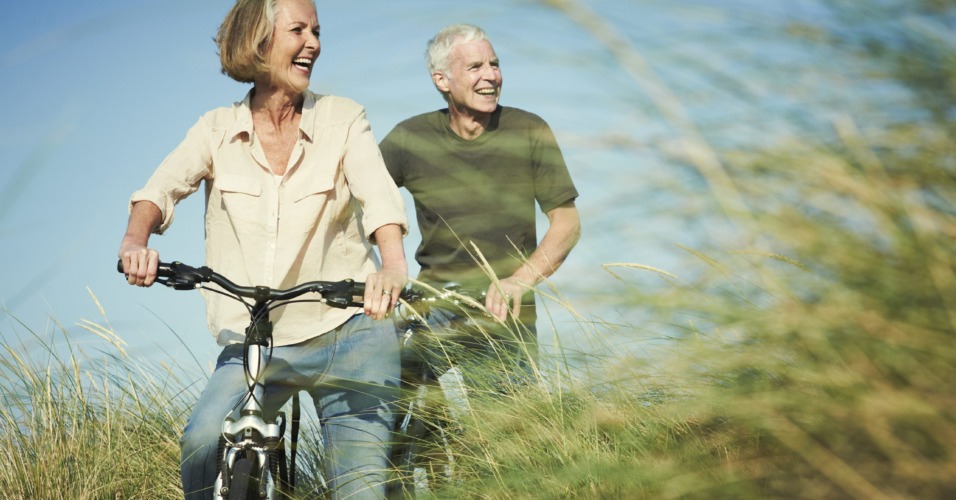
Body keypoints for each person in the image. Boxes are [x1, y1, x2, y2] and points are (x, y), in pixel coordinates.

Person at [117, 0, 407, 497]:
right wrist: (135, 241)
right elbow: (159, 189)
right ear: (259, 40)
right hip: (256, 340)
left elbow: (377, 194)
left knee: (361, 489)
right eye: (298, 30)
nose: (313, 43)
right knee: (203, 442)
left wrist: (393, 266)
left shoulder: (342, 118)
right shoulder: (216, 129)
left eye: (317, 31)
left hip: (350, 332)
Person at [379, 23, 580, 382]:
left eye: (495, 64)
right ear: (442, 81)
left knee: (508, 430)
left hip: (502, 307)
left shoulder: (529, 130)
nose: (491, 75)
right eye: (475, 67)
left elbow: (567, 223)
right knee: (392, 398)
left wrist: (520, 280)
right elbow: (365, 198)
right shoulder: (409, 138)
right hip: (433, 302)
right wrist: (391, 264)